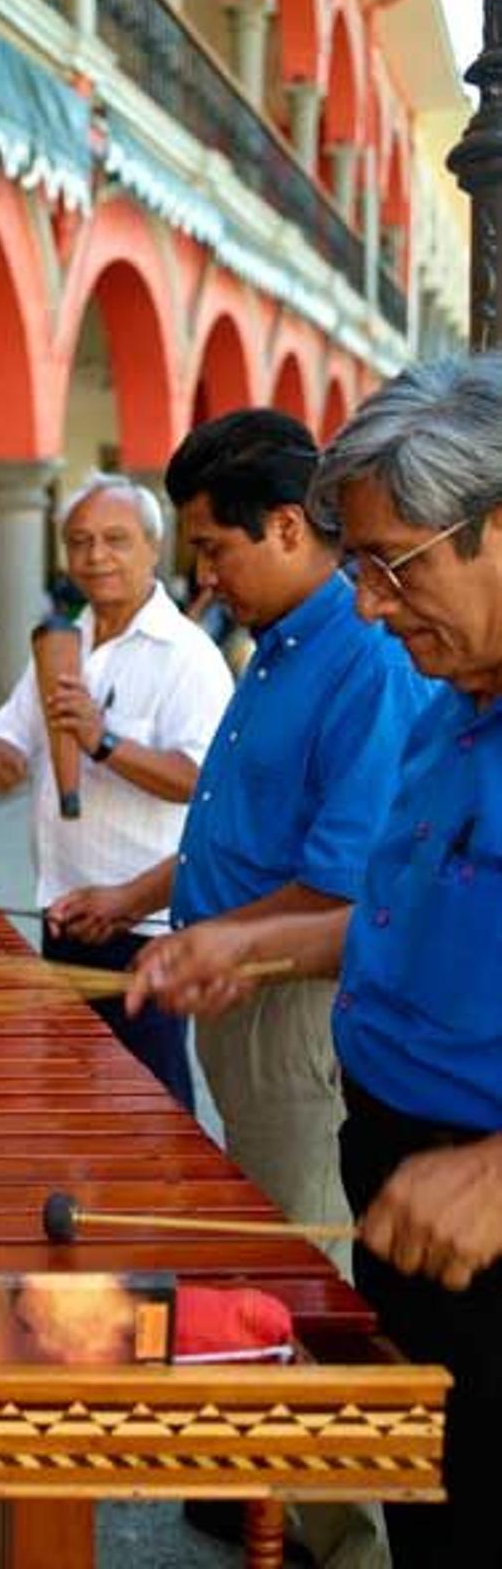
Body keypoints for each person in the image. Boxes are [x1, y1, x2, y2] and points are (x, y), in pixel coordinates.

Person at [126, 355, 502, 1568]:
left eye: (396, 563)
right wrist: (253, 940)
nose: (375, 604)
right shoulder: (452, 696)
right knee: (430, 1501)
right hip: (394, 1152)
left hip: (480, 1197)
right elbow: (397, 908)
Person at [0, 473, 233, 1111]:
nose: (96, 557)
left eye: (115, 540)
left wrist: (103, 742)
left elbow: (204, 783)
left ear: (153, 547)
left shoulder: (189, 657)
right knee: (77, 1092)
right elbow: (10, 729)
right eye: (80, 541)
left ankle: (170, 1205)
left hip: (142, 917)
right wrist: (3, 753)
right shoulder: (62, 644)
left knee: (151, 1099)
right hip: (64, 908)